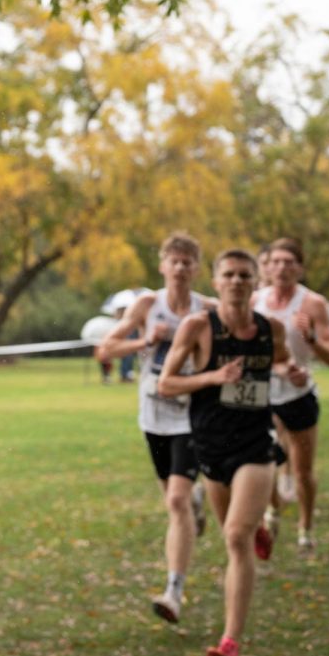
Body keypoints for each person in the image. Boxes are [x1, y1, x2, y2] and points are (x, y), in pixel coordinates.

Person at [159, 248, 305, 656]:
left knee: (236, 540)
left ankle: (230, 642)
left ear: (255, 281)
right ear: (217, 281)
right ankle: (258, 523)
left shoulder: (270, 329)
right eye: (230, 275)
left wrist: (289, 372)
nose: (238, 281)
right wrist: (212, 377)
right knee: (231, 532)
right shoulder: (198, 326)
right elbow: (166, 382)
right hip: (210, 445)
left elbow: (278, 362)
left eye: (245, 275)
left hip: (255, 443)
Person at [96, 232, 213, 624]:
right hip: (153, 415)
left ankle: (174, 591)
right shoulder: (148, 305)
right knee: (175, 499)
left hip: (192, 413)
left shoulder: (207, 310)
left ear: (197, 268)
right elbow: (106, 349)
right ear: (162, 266)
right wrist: (145, 340)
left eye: (187, 261)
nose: (180, 268)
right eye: (173, 261)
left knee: (176, 502)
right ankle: (196, 500)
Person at [253, 238, 329, 555]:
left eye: (289, 262)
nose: (282, 267)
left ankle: (305, 528)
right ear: (267, 266)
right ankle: (272, 509)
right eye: (276, 261)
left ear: (299, 268)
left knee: (302, 471)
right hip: (262, 395)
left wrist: (311, 339)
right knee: (264, 461)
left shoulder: (313, 303)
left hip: (299, 394)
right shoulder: (254, 301)